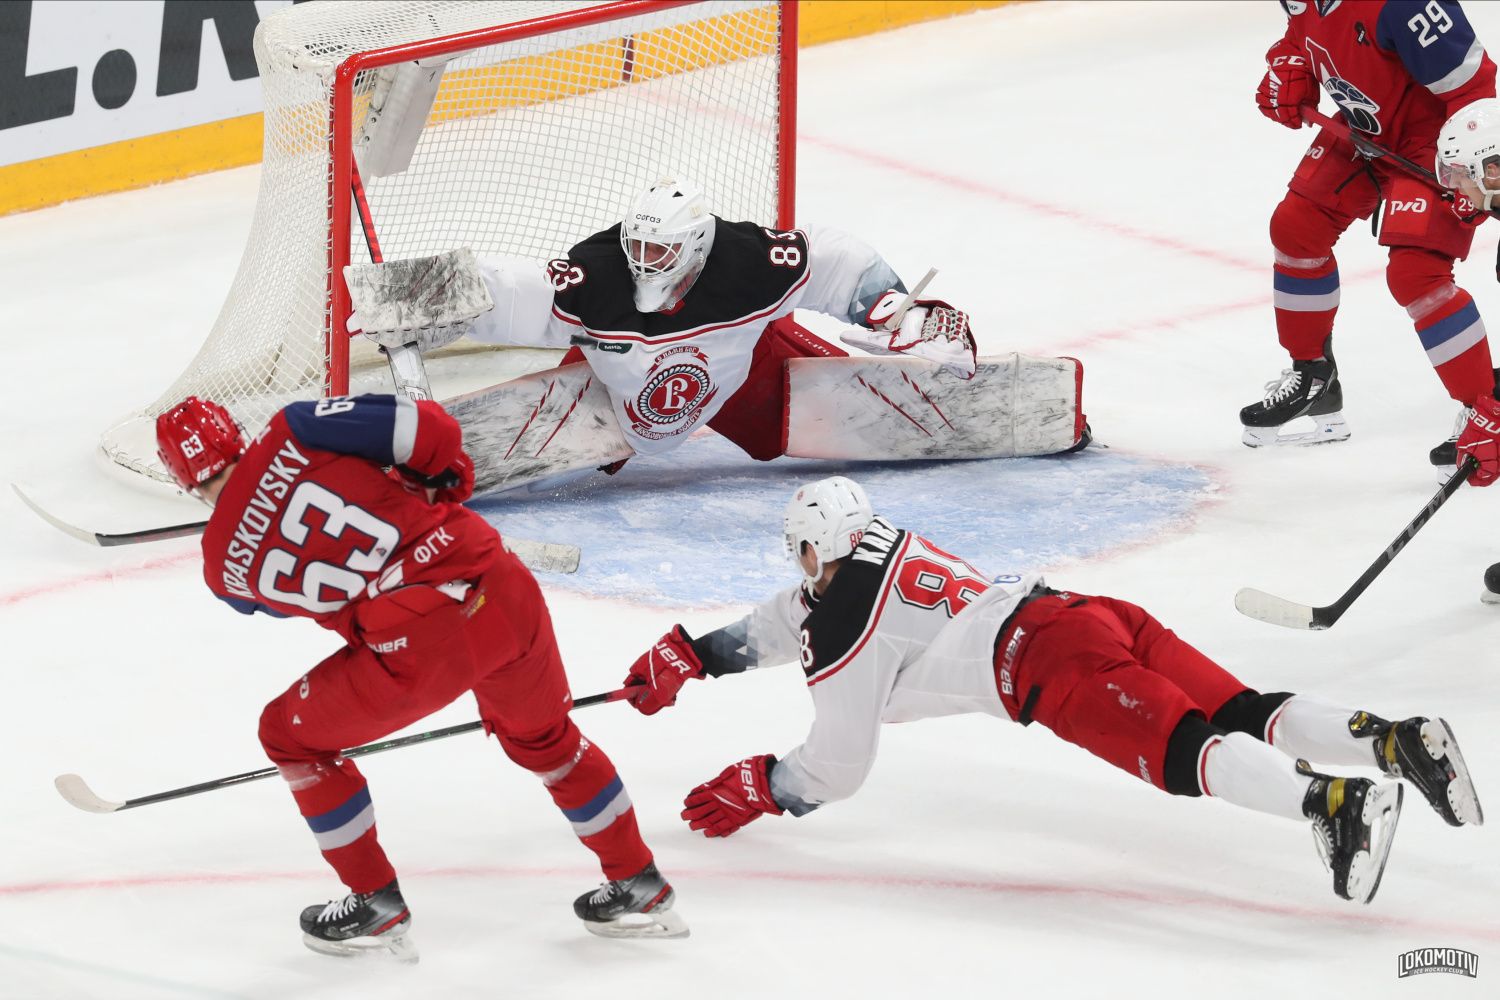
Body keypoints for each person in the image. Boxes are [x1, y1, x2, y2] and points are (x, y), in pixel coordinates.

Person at [619, 476, 1483, 904]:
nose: (798, 566)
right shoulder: (878, 545)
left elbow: (839, 763)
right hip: (1086, 611)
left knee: (1186, 752)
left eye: (802, 551)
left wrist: (767, 786)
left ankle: (1332, 805)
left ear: (824, 548)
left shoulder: (845, 622)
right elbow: (795, 616)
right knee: (1240, 710)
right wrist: (696, 654)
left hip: (1046, 663)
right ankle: (1394, 740)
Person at [153, 392, 687, 961]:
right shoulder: (296, 428)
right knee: (546, 740)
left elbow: (284, 589)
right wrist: (429, 477)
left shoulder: (221, 569)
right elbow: (428, 428)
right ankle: (638, 881)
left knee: (289, 736)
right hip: (499, 589)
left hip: (414, 650)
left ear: (182, 480)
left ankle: (372, 897)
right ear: (235, 433)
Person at [348, 177, 1087, 484]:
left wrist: (898, 312)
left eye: (662, 251)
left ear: (697, 248)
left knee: (810, 412)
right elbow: (509, 288)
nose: (646, 263)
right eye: (639, 248)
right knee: (586, 432)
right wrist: (402, 298)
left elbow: (831, 260)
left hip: (740, 378)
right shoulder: (596, 276)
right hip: (616, 394)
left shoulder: (749, 262)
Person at [1240, 0, 1497, 470]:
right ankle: (1315, 379)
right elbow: (1305, 37)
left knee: (1417, 274)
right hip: (1366, 132)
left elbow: (1474, 88)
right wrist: (1290, 63)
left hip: (1435, 139)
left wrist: (1474, 171)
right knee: (1296, 229)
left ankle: (1488, 412)